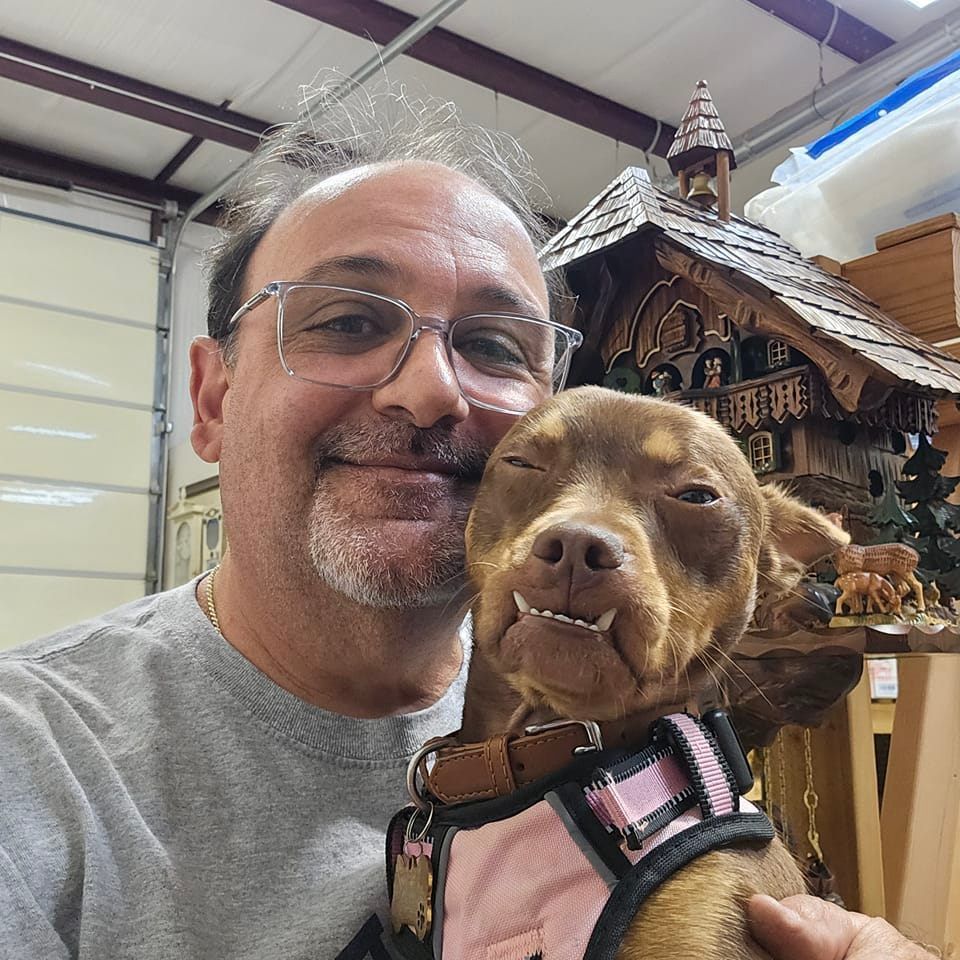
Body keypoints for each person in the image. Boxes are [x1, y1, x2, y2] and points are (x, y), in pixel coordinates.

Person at [0, 77, 933, 960]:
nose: (430, 388)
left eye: (491, 344)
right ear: (209, 399)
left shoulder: (646, 756)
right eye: (348, 322)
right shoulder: (35, 771)